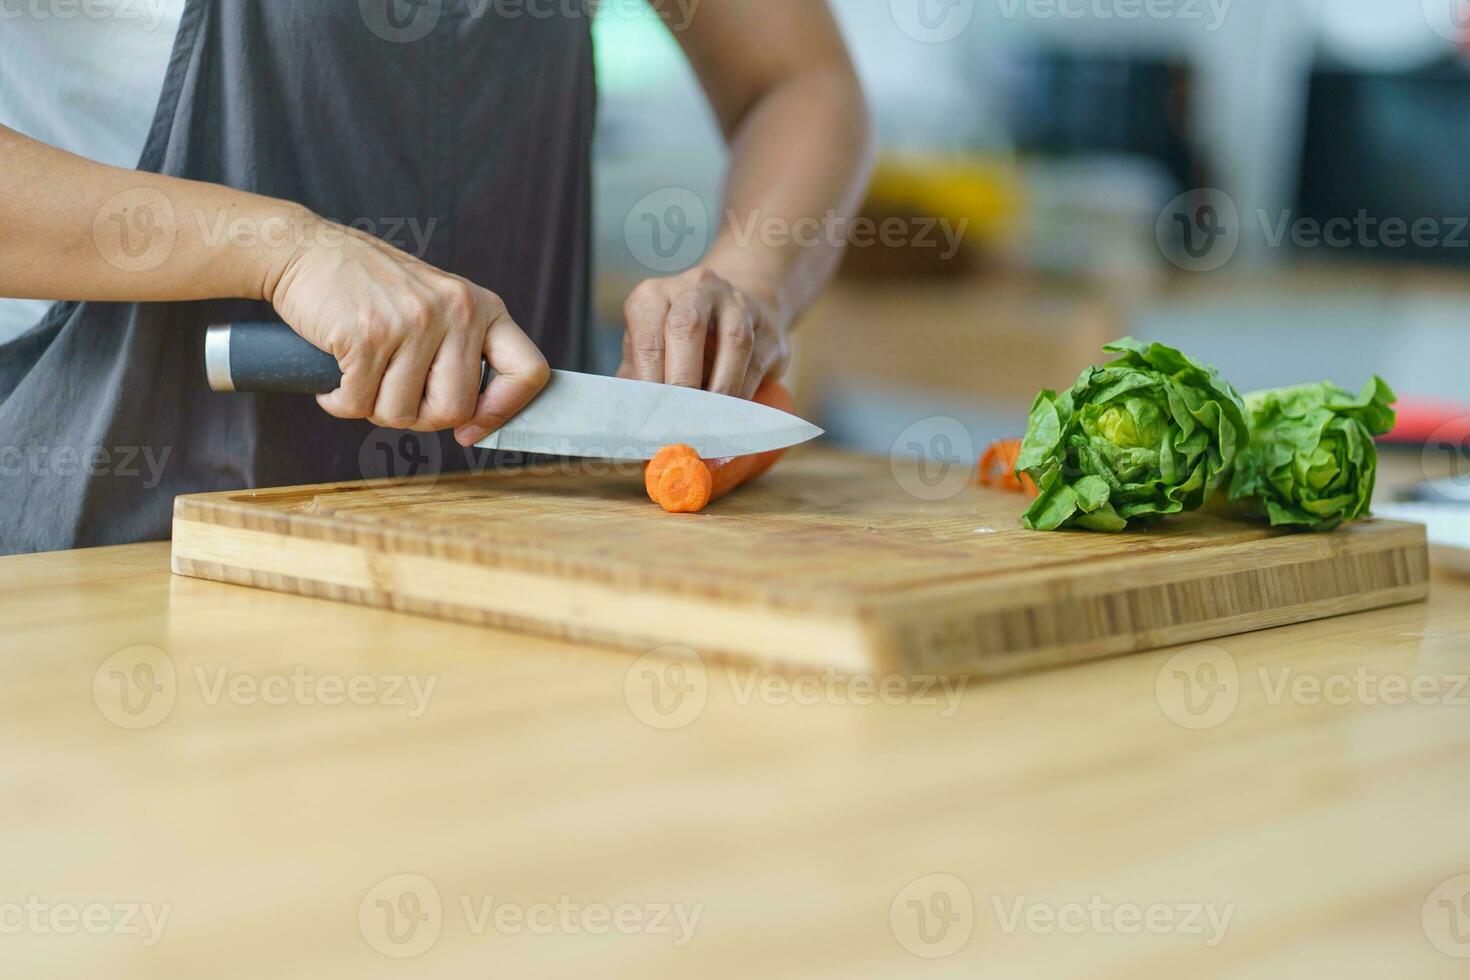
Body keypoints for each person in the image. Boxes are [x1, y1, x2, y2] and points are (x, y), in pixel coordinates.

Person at [0, 0, 873, 555]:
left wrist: (753, 279)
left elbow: (799, 81)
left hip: (522, 556)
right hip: (120, 554)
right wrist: (283, 247)